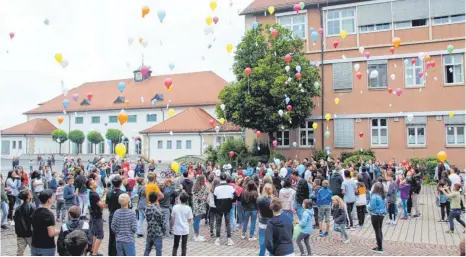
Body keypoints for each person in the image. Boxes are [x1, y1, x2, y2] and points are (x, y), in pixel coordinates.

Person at [31, 189, 59, 256]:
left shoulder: (35, 211)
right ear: (49, 200)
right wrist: (60, 231)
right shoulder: (49, 214)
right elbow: (51, 233)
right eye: (52, 197)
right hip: (46, 247)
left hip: (35, 245)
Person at [213, 173, 237, 246]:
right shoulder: (230, 187)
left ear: (220, 178)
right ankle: (229, 239)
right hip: (227, 206)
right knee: (228, 223)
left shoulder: (216, 188)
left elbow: (215, 199)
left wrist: (217, 205)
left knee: (218, 223)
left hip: (219, 207)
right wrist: (231, 201)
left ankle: (217, 239)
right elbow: (235, 196)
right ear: (226, 178)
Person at [106, 175, 125, 256]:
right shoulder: (123, 193)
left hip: (112, 215)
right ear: (120, 184)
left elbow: (107, 205)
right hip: (121, 216)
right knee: (121, 236)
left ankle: (111, 253)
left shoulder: (109, 192)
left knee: (112, 236)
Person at [88, 178, 107, 256]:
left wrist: (103, 194)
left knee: (95, 234)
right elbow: (101, 205)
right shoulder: (94, 194)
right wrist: (109, 202)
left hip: (94, 215)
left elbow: (97, 201)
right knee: (100, 235)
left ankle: (93, 251)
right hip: (97, 216)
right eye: (93, 182)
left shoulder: (93, 193)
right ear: (91, 186)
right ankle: (94, 253)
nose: (95, 182)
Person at [14, 189, 35, 255]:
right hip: (30, 233)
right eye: (30, 193)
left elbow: (16, 220)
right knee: (34, 251)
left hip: (20, 234)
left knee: (19, 252)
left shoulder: (18, 208)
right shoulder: (32, 207)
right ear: (28, 196)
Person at [171, 192, 193, 256]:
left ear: (180, 199)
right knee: (184, 246)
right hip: (185, 229)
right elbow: (189, 219)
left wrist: (172, 226)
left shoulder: (175, 207)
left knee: (175, 246)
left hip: (177, 229)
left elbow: (172, 219)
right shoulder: (188, 208)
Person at [368, 182, 387, 253]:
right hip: (381, 215)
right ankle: (379, 245)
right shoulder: (382, 195)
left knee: (377, 231)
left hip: (375, 215)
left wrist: (367, 207)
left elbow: (372, 207)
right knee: (379, 229)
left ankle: (380, 248)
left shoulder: (374, 196)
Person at [192, 175, 209, 242]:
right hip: (200, 206)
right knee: (197, 221)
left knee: (195, 221)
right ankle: (197, 236)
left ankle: (195, 234)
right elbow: (206, 195)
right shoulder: (203, 187)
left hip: (195, 206)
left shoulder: (195, 187)